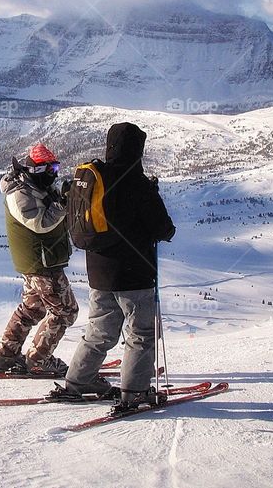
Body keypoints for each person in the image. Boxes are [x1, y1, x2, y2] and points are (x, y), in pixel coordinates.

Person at [53, 122, 175, 410]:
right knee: (140, 334)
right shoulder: (137, 183)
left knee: (99, 330)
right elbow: (164, 229)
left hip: (99, 273)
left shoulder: (95, 179)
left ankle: (78, 381)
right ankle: (135, 393)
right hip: (135, 275)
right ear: (137, 150)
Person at [0, 143, 78, 376]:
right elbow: (40, 223)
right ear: (36, 169)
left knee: (32, 308)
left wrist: (63, 196)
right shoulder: (20, 193)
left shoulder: (32, 185)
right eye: (51, 168)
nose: (54, 173)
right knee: (65, 311)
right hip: (42, 262)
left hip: (39, 260)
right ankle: (38, 360)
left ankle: (6, 355)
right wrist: (62, 203)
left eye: (56, 167)